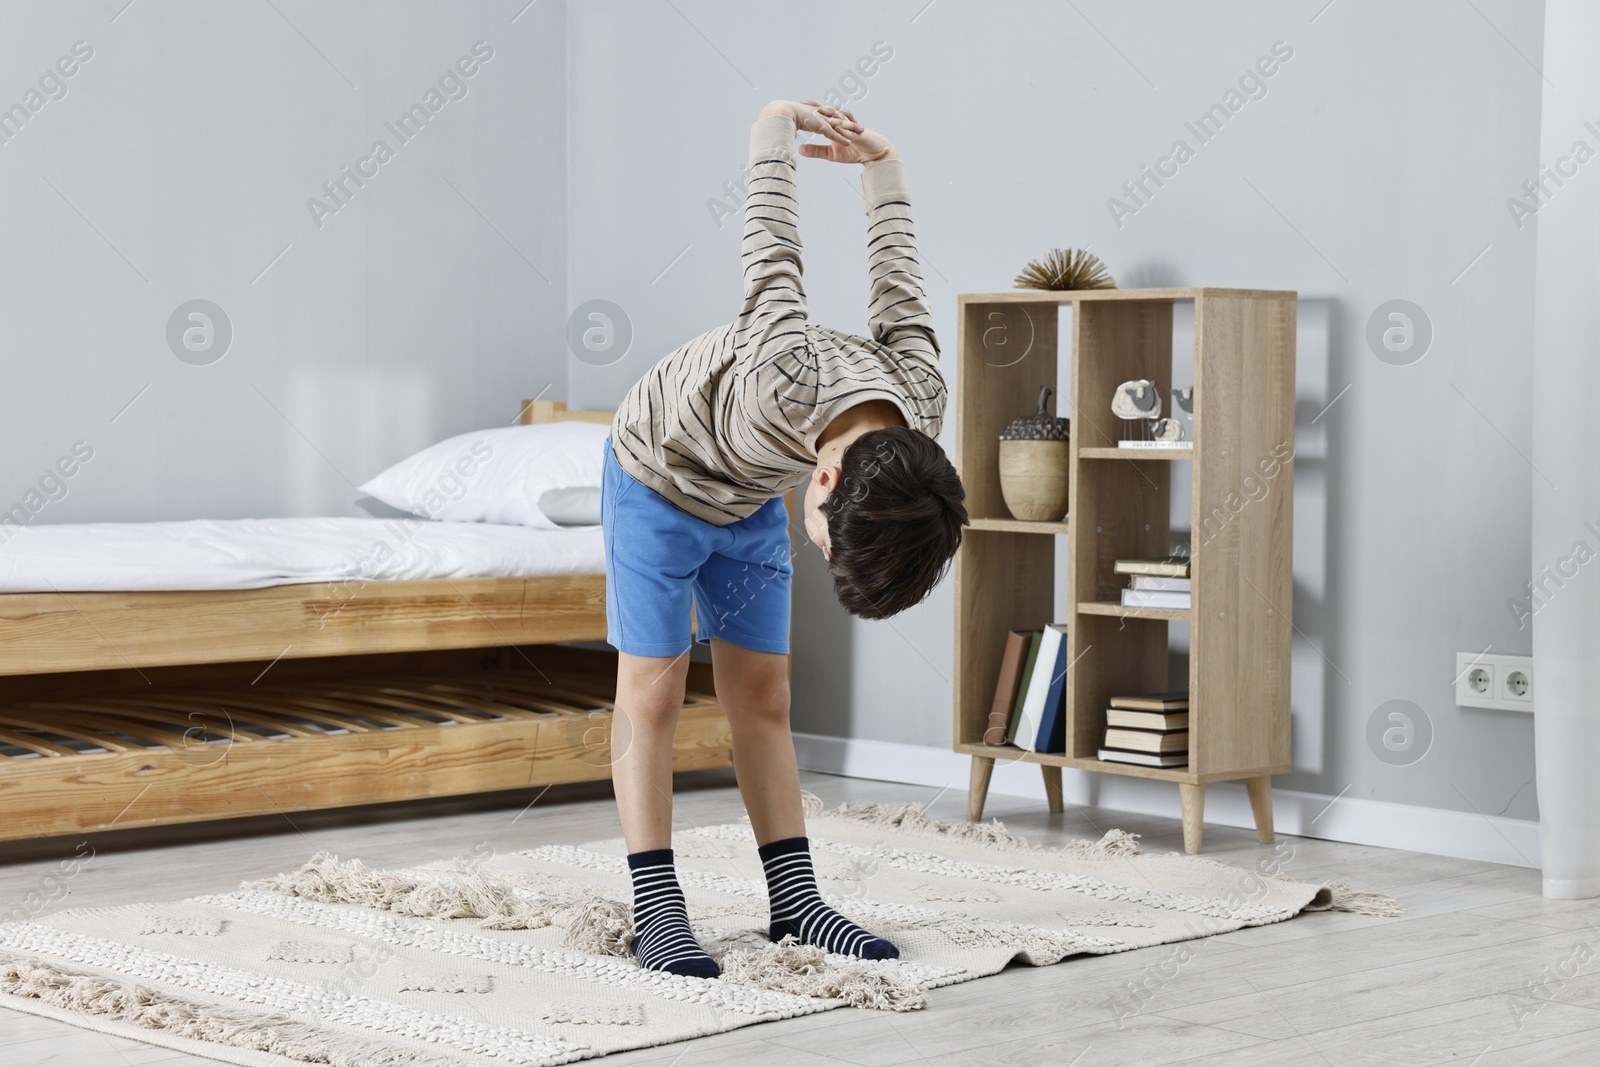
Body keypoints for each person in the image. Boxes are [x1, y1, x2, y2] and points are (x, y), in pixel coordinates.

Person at [602, 98, 966, 978]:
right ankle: (657, 913)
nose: (823, 550)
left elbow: (901, 285)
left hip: (755, 487)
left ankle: (795, 903)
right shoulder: (778, 378)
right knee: (652, 695)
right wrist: (773, 129)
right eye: (830, 542)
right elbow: (773, 252)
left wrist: (885, 168)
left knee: (762, 696)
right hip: (658, 471)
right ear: (829, 483)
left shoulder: (918, 410)